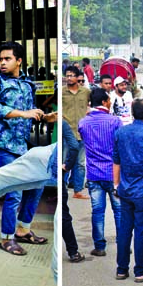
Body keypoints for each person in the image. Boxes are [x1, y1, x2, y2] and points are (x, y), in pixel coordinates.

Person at [0, 41, 48, 256]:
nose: (2, 63)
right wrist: (23, 114)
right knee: (14, 190)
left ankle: (23, 230)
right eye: (1, 59)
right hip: (3, 145)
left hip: (22, 145)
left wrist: (46, 117)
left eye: (7, 59)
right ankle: (7, 238)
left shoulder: (27, 84)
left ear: (19, 61)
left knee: (38, 182)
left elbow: (30, 113)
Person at [113, 99, 143, 282]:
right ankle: (141, 271)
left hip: (126, 189)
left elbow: (116, 161)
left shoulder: (121, 133)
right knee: (142, 231)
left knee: (125, 230)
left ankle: (121, 269)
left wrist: (116, 185)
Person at [79, 89, 123, 257]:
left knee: (97, 211)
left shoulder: (83, 122)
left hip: (94, 174)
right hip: (114, 175)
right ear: (105, 102)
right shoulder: (115, 122)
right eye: (109, 100)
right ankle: (123, 243)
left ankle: (99, 246)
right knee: (119, 211)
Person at [62, 66, 91, 200]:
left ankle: (78, 190)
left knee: (80, 163)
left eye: (72, 75)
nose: (69, 78)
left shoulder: (85, 92)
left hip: (82, 133)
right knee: (64, 162)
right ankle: (62, 190)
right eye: (67, 75)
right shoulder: (61, 92)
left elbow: (92, 105)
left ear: (77, 77)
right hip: (67, 133)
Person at [61, 120, 84, 262]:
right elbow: (74, 146)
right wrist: (67, 166)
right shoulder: (62, 123)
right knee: (63, 215)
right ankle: (73, 252)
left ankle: (73, 251)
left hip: (51, 169)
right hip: (59, 172)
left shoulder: (61, 122)